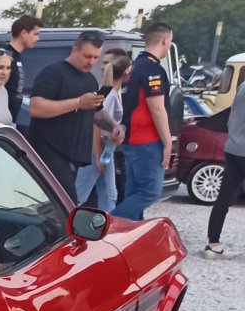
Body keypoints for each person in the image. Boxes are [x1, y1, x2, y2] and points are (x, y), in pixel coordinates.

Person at [27, 31, 107, 192]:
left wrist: (113, 128)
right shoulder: (53, 73)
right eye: (87, 56)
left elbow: (96, 113)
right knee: (65, 203)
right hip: (49, 151)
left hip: (75, 154)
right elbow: (36, 107)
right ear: (75, 49)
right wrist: (78, 102)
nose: (91, 62)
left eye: (96, 57)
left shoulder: (90, 79)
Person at [114, 22, 176, 221]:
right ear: (165, 40)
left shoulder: (132, 68)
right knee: (150, 192)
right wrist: (168, 142)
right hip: (146, 140)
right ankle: (104, 226)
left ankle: (128, 235)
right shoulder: (153, 69)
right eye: (170, 41)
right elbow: (157, 108)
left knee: (134, 192)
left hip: (130, 138)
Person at [75, 56, 130, 213]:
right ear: (128, 70)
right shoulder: (110, 94)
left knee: (109, 193)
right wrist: (99, 155)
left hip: (106, 147)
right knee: (82, 193)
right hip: (97, 147)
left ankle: (107, 225)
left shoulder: (114, 92)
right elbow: (95, 124)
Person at [203, 100, 244, 256]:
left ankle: (212, 245)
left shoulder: (242, 87)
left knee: (224, 198)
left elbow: (229, 119)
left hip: (233, 149)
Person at [3, 16, 42, 122]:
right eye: (35, 34)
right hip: (2, 120)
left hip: (11, 120)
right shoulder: (5, 56)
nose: (38, 39)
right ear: (24, 33)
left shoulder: (17, 56)